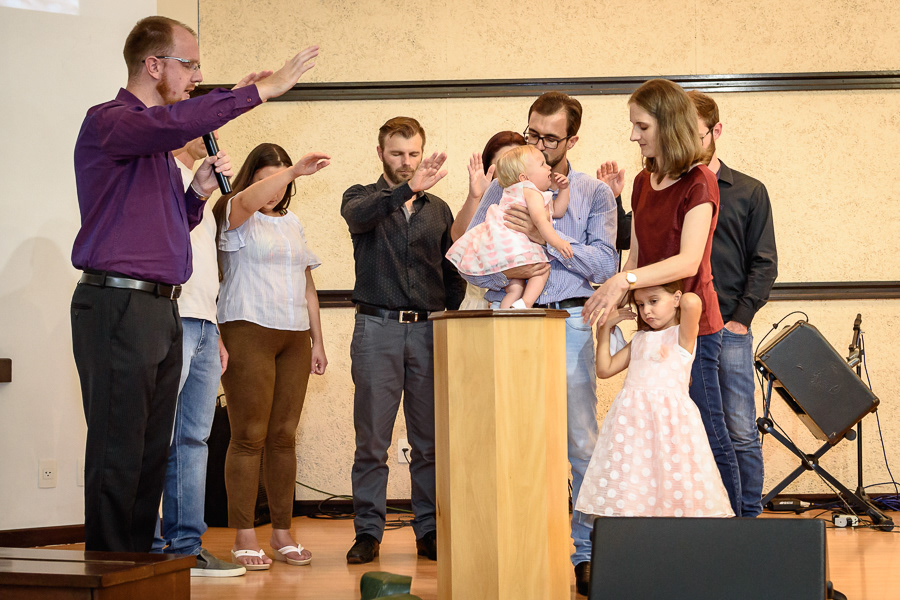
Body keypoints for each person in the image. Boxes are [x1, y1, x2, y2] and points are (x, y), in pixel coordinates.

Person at [70, 14, 320, 552]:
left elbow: (170, 228)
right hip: (117, 303)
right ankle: (111, 571)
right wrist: (258, 91)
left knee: (151, 451)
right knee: (119, 450)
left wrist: (197, 194)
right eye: (190, 64)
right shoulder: (111, 121)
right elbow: (175, 121)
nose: (196, 76)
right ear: (153, 64)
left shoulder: (159, 148)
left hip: (162, 307)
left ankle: (140, 570)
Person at [453, 92, 618, 595]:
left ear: (572, 139)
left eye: (550, 137)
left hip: (568, 321)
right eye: (532, 133)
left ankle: (586, 553)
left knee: (580, 441)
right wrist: (515, 262)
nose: (539, 145)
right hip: (511, 323)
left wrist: (544, 242)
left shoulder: (592, 193)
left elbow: (605, 266)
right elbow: (477, 253)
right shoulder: (504, 181)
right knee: (510, 441)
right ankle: (518, 548)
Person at [582, 79, 742, 518]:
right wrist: (619, 293)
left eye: (641, 125)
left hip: (694, 326)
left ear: (668, 124)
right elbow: (636, 253)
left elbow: (688, 262)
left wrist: (626, 279)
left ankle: (742, 539)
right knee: (659, 445)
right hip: (654, 319)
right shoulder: (641, 181)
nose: (633, 135)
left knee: (709, 435)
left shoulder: (700, 181)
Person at [341, 116, 466, 565]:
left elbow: (451, 270)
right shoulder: (360, 197)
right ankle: (368, 532)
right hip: (377, 330)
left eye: (413, 154)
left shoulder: (439, 210)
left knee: (429, 441)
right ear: (380, 153)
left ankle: (428, 529)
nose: (406, 162)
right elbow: (360, 217)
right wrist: (406, 190)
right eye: (397, 154)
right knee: (372, 440)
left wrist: (444, 315)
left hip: (429, 330)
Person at [213, 143, 330, 570]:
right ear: (253, 178)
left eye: (284, 181)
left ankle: (282, 533)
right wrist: (293, 170)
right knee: (249, 435)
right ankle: (244, 535)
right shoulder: (234, 211)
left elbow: (307, 284)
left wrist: (318, 341)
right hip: (248, 329)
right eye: (269, 179)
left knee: (284, 435)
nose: (278, 190)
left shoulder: (293, 222)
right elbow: (247, 200)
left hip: (294, 335)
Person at [151, 136, 245, 576]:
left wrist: (217, 330)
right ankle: (150, 544)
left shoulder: (201, 182)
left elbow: (207, 264)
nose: (211, 134)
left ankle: (186, 546)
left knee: (194, 439)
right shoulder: (159, 171)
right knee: (160, 436)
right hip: (170, 316)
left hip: (205, 322)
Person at [688, 90, 778, 517]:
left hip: (729, 330)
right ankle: (706, 517)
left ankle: (748, 519)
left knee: (740, 430)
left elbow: (764, 262)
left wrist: (740, 321)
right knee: (691, 429)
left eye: (693, 133)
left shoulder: (748, 191)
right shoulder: (670, 188)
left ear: (715, 131)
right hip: (682, 330)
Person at [577, 282, 734, 518]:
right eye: (640, 305)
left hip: (670, 425)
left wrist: (634, 278)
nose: (646, 311)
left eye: (653, 301)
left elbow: (692, 302)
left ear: (676, 298)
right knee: (636, 479)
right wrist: (605, 328)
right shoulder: (639, 339)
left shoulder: (682, 337)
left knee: (671, 476)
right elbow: (604, 368)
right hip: (633, 424)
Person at [447, 145, 573, 308]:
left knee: (514, 287)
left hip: (502, 250)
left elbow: (557, 210)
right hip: (516, 246)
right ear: (524, 177)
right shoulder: (530, 190)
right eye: (542, 164)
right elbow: (541, 221)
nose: (549, 167)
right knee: (543, 270)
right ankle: (526, 303)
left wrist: (564, 190)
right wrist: (557, 242)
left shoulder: (512, 191)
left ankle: (505, 311)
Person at [454, 131, 526, 309]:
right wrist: (475, 196)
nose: (510, 173)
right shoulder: (483, 203)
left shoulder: (533, 202)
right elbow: (459, 238)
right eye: (502, 166)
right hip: (479, 304)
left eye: (516, 165)